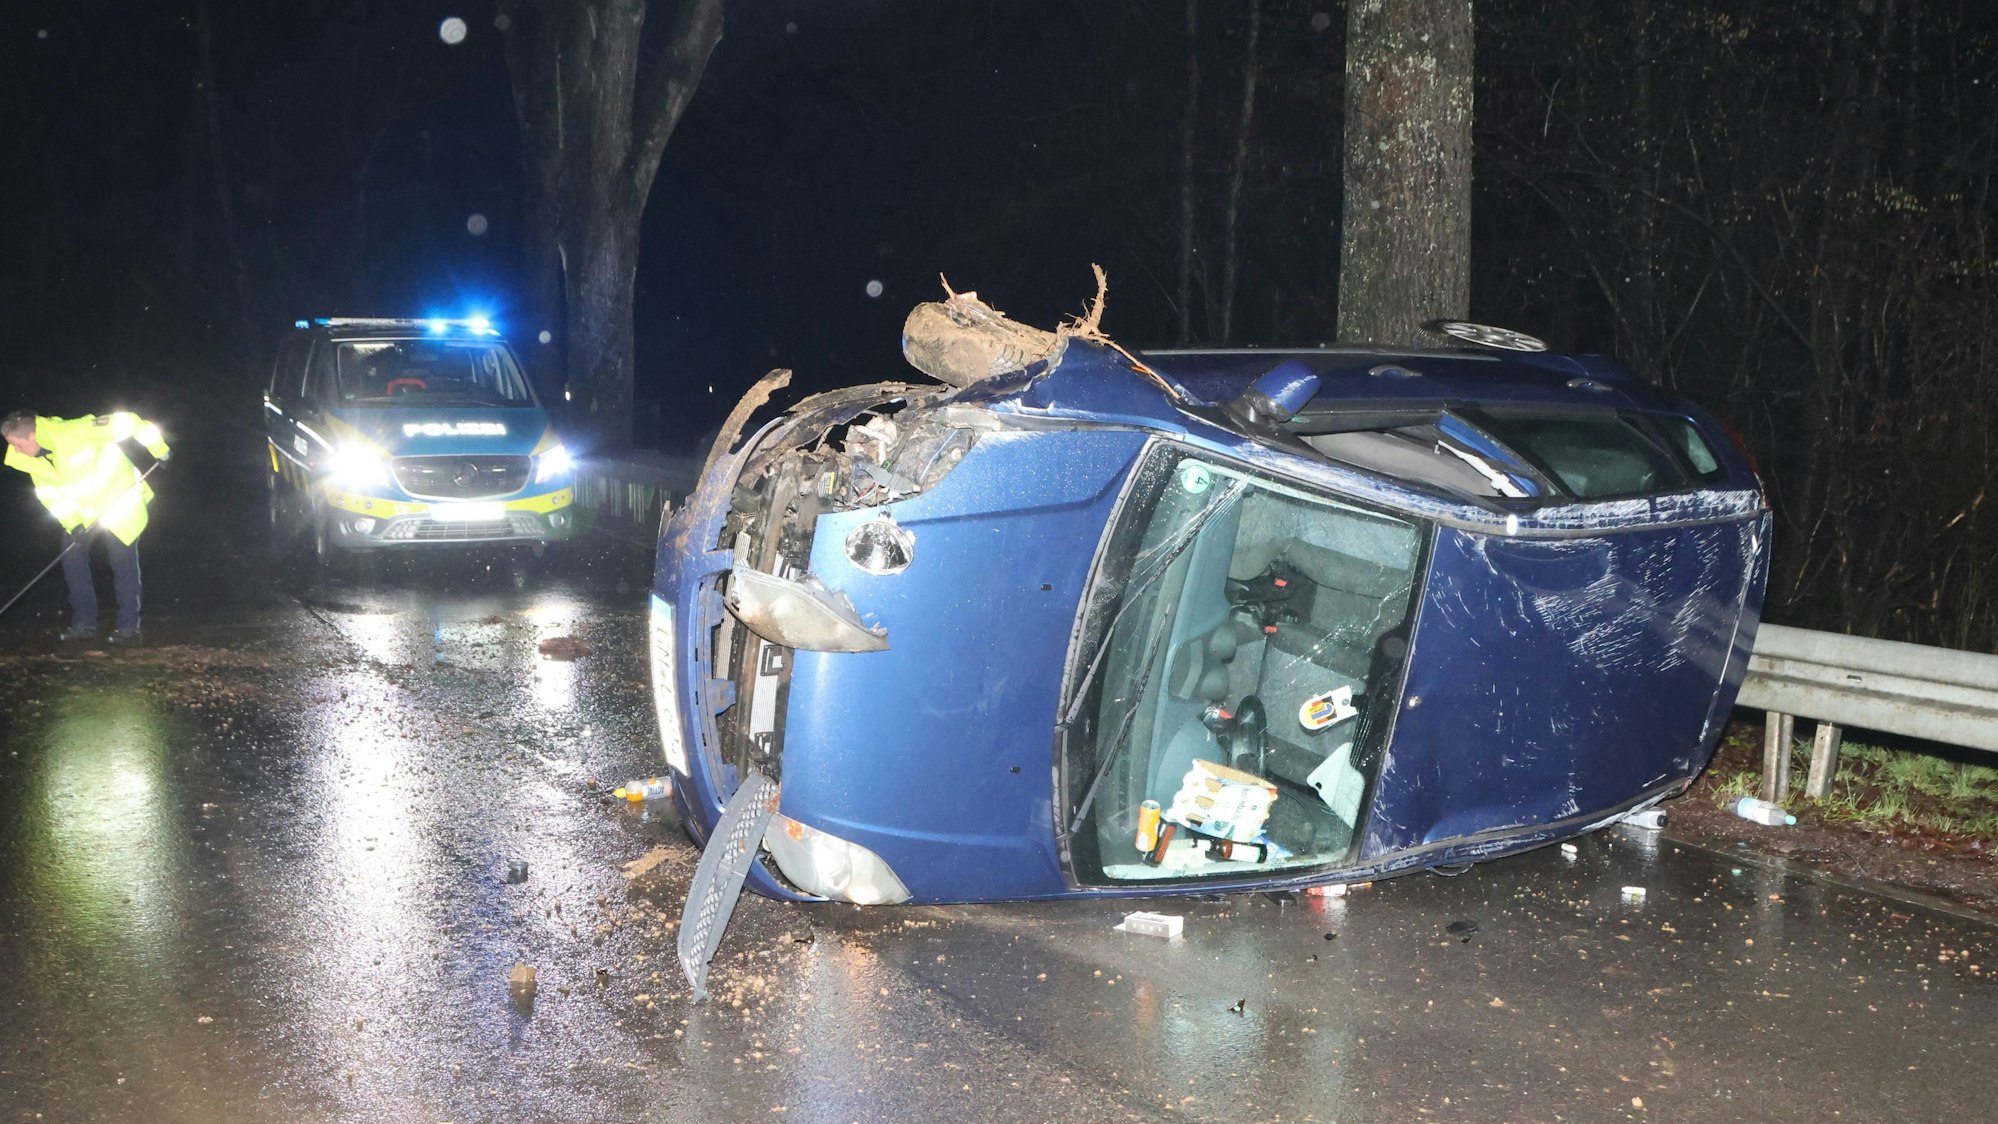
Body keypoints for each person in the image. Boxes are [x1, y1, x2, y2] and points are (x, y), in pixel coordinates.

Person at [2, 409, 171, 644]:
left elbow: (129, 422)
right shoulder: (32, 459)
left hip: (120, 500)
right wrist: (74, 523)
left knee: (122, 563)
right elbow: (51, 495)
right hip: (84, 511)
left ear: (32, 436)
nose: (16, 451)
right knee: (72, 558)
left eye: (18, 444)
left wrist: (159, 448)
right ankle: (84, 624)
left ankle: (128, 628)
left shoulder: (75, 431)